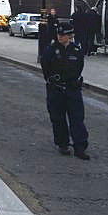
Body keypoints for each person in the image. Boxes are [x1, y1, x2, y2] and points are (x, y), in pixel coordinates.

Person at [41, 22, 90, 160]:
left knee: (77, 118)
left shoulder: (76, 50)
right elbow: (45, 66)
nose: (60, 37)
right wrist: (51, 80)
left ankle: (80, 146)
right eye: (59, 34)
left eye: (63, 35)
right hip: (56, 89)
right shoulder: (51, 50)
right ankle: (63, 143)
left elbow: (79, 67)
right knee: (58, 118)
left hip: (72, 89)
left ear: (70, 36)